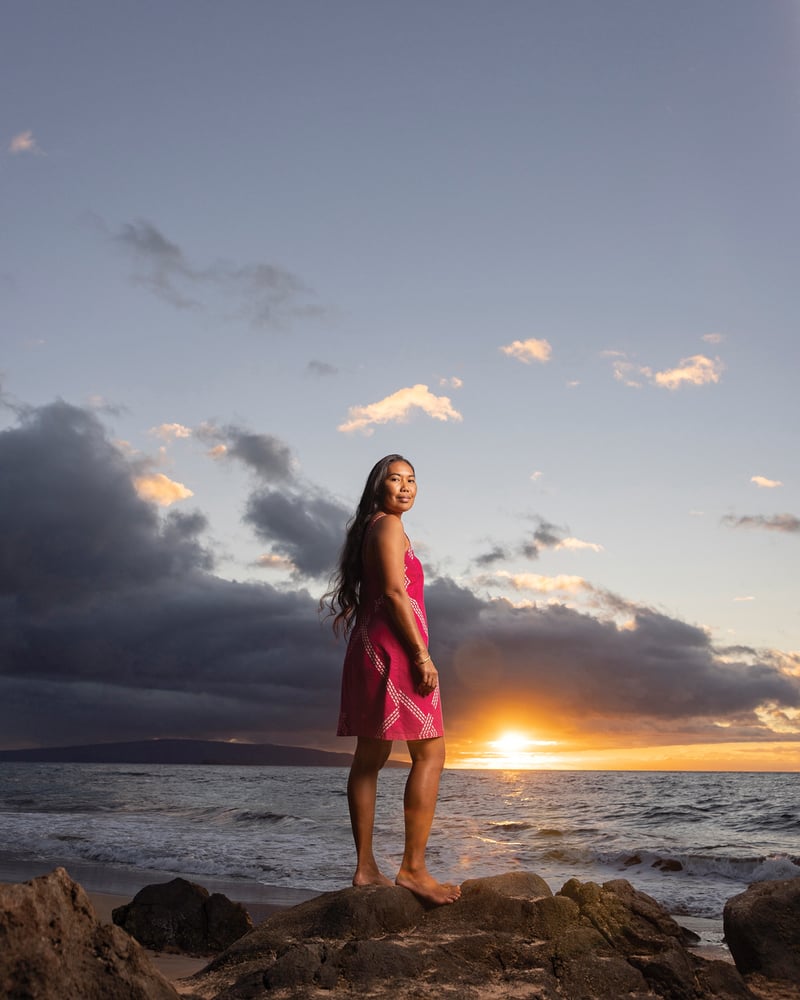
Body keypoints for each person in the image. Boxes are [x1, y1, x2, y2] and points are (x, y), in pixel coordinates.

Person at [322, 454, 460, 906]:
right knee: (431, 752)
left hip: (371, 648)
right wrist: (421, 655)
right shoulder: (389, 528)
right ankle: (413, 870)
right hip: (394, 650)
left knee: (371, 755)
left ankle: (366, 869)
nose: (405, 487)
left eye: (412, 480)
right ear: (378, 486)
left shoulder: (372, 528)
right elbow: (397, 594)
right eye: (395, 479)